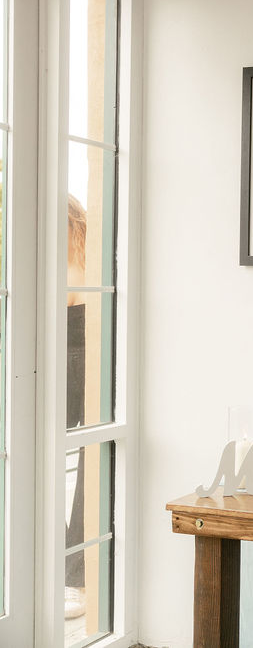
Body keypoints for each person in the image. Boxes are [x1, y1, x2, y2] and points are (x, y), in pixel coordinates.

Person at [66, 195, 87, 620]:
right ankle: (75, 576)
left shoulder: (68, 259)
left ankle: (74, 578)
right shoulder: (92, 254)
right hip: (88, 357)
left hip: (73, 358)